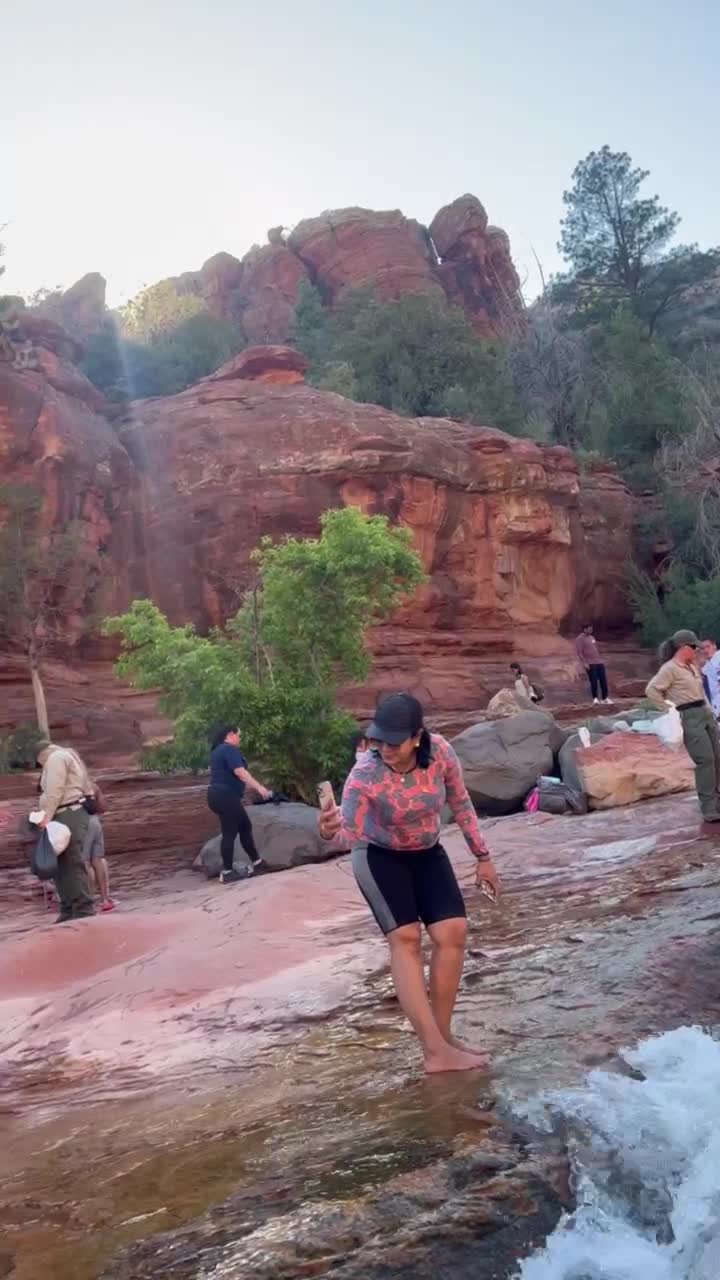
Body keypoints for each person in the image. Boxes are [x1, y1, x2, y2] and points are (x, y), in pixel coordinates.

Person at [318, 692, 500, 1074]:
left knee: (453, 932)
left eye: (394, 741)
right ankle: (434, 1052)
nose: (384, 748)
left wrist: (482, 857)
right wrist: (326, 829)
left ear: (418, 736)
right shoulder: (364, 775)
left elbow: (462, 803)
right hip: (378, 856)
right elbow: (345, 833)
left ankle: (443, 1039)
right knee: (406, 939)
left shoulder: (442, 755)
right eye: (379, 739)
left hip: (427, 850)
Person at [646, 630, 720, 823]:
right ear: (683, 647)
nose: (697, 650)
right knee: (705, 760)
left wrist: (710, 709)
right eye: (694, 647)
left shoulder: (691, 667)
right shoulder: (669, 669)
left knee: (717, 757)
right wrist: (669, 708)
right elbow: (652, 690)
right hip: (689, 716)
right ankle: (709, 808)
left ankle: (718, 800)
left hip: (704, 713)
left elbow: (701, 690)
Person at [35, 739, 95, 922]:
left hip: (66, 813)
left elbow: (55, 791)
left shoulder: (55, 758)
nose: (40, 766)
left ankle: (83, 910)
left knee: (71, 863)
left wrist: (45, 818)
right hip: (68, 813)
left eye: (39, 763)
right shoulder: (69, 755)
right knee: (60, 865)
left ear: (41, 754)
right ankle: (69, 908)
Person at [207, 724, 271, 884]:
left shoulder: (218, 751)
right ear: (230, 735)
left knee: (244, 826)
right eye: (239, 735)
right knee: (230, 832)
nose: (240, 738)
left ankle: (258, 863)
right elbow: (240, 772)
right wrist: (260, 787)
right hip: (225, 796)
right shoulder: (229, 750)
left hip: (217, 796)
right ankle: (227, 872)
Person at [81, 815, 116, 912]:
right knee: (98, 860)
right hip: (95, 819)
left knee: (85, 861)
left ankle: (90, 901)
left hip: (83, 821)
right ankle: (104, 899)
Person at [576, 624, 612, 705]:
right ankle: (595, 698)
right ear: (584, 629)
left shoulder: (592, 637)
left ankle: (605, 698)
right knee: (594, 681)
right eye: (589, 629)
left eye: (591, 629)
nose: (591, 630)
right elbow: (579, 652)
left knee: (603, 680)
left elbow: (595, 648)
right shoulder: (580, 639)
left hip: (599, 662)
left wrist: (601, 658)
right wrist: (584, 663)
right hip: (590, 663)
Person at [701, 638, 720, 719]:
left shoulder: (718, 659)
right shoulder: (707, 664)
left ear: (714, 646)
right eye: (703, 648)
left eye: (708, 647)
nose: (705, 650)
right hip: (714, 704)